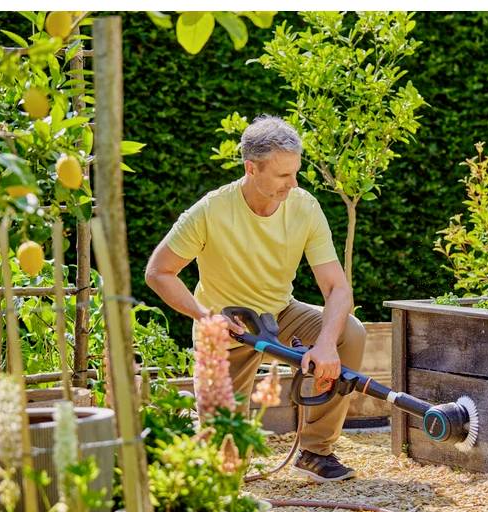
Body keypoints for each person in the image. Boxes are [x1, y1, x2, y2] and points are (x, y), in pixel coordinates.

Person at [145, 115, 366, 482]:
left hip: (280, 313)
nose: (292, 184)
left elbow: (337, 288)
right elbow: (159, 271)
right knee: (226, 466)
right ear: (252, 168)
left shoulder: (304, 206)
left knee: (350, 333)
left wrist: (326, 344)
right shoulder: (211, 210)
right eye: (283, 176)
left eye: (295, 173)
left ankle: (316, 451)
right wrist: (204, 316)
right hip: (225, 329)